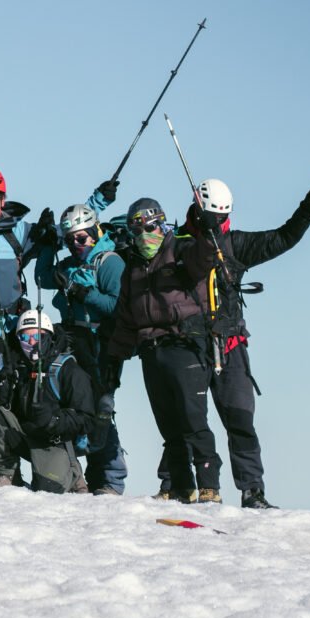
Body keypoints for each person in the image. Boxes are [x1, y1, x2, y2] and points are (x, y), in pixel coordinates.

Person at [158, 178, 310, 509]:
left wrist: (307, 210)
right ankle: (178, 484)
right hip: (189, 346)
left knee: (240, 419)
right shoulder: (173, 245)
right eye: (213, 217)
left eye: (223, 218)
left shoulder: (235, 244)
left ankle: (253, 490)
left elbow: (283, 238)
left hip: (230, 345)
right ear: (197, 209)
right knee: (188, 421)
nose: (218, 223)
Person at [0, 166, 111, 486]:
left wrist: (96, 202)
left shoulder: (17, 231)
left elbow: (64, 230)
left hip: (14, 331)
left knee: (24, 398)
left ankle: (47, 471)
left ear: (3, 199)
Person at [107, 197, 219, 503]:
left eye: (151, 227)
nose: (145, 235)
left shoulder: (180, 250)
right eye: (137, 230)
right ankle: (182, 485)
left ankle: (210, 485)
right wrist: (113, 358)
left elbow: (204, 258)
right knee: (168, 424)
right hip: (150, 349)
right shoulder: (133, 266)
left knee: (192, 418)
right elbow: (126, 316)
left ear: (162, 223)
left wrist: (209, 232)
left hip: (183, 343)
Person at [36, 203, 128, 496]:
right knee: (77, 405)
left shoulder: (110, 262)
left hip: (103, 342)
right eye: (69, 240)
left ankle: (111, 478)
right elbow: (42, 278)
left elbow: (117, 305)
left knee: (102, 406)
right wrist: (49, 247)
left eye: (82, 238)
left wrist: (83, 293)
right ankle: (83, 475)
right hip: (75, 340)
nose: (76, 245)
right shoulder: (69, 266)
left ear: (94, 232)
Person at [0, 310, 95, 493]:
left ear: (48, 336)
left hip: (53, 442)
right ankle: (8, 471)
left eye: (38, 337)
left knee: (47, 491)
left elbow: (87, 418)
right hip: (24, 434)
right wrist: (2, 387)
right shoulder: (15, 365)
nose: (32, 343)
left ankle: (74, 475)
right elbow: (2, 407)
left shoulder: (67, 369)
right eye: (25, 337)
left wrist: (54, 420)